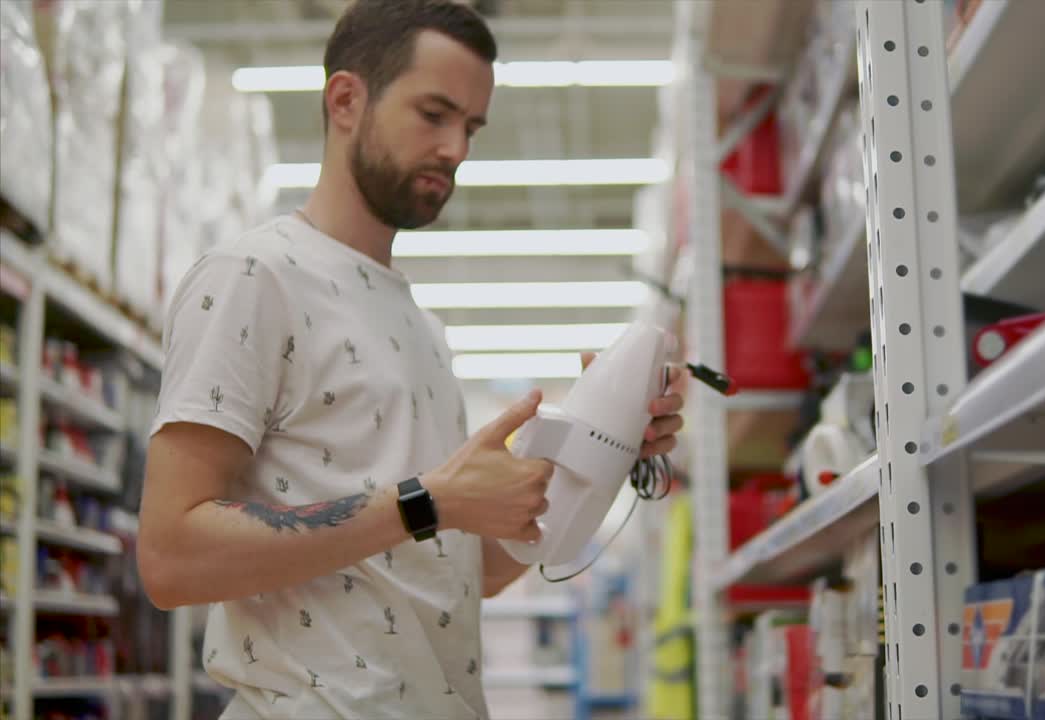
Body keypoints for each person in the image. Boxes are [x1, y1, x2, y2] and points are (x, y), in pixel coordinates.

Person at [137, 2, 685, 718]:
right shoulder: (254, 277)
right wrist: (426, 501)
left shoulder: (420, 327)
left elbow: (464, 572)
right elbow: (170, 557)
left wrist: (605, 449)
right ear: (345, 100)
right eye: (434, 114)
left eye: (472, 127)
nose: (457, 147)